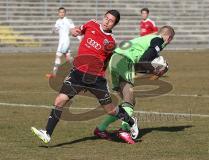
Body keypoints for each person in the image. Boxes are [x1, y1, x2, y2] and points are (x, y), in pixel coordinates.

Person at [31, 10, 138, 144]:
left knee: (110, 110)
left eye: (111, 21)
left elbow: (106, 62)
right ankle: (47, 133)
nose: (107, 22)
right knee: (59, 100)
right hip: (77, 74)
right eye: (106, 18)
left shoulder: (111, 42)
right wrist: (75, 31)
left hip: (96, 79)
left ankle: (131, 121)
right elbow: (78, 30)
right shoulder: (91, 24)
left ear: (114, 25)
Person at [96, 26, 175, 144]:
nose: (169, 42)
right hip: (124, 60)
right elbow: (144, 61)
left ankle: (101, 129)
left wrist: (152, 72)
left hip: (115, 60)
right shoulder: (158, 40)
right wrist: (156, 70)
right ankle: (124, 130)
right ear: (169, 37)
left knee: (129, 102)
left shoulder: (149, 38)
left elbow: (139, 64)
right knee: (129, 100)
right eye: (170, 39)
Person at [46, 7, 80, 78]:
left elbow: (74, 30)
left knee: (58, 56)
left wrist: (80, 39)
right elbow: (55, 29)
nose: (61, 13)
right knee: (68, 58)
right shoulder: (58, 21)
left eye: (63, 12)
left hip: (65, 42)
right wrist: (53, 30)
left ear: (65, 13)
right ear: (58, 13)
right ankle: (78, 71)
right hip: (61, 42)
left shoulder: (68, 21)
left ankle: (54, 74)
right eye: (60, 12)